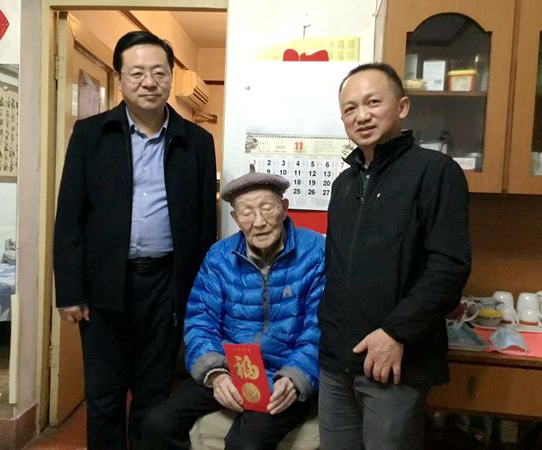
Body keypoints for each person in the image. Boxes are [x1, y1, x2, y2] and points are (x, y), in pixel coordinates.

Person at [53, 30, 217, 450]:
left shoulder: (198, 142)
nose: (149, 82)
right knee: (104, 394)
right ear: (120, 79)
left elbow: (205, 225)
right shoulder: (90, 135)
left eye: (159, 72)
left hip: (166, 284)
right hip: (103, 284)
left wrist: (198, 296)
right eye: (138, 73)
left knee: (153, 393)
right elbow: (70, 218)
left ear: (170, 77)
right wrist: (70, 291)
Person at [318, 62, 471, 450]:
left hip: (394, 362)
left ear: (402, 107)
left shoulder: (435, 172)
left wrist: (395, 332)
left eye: (373, 102)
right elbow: (336, 269)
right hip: (336, 362)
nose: (362, 115)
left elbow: (448, 267)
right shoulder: (344, 184)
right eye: (350, 108)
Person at [142, 167, 325, 450]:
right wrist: (215, 373)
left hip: (283, 373)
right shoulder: (219, 256)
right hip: (232, 368)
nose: (259, 222)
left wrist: (296, 376)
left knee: (244, 444)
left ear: (284, 208)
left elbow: (321, 327)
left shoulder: (316, 251)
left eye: (267, 208)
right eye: (247, 212)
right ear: (236, 218)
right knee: (157, 423)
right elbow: (200, 322)